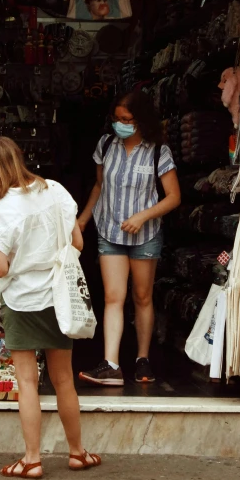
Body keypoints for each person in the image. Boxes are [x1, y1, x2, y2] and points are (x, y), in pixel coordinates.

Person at [0, 136, 101, 479]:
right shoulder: (55, 191)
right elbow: (77, 241)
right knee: (64, 380)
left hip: (21, 301)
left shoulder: (0, 209)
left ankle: (32, 459)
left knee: (27, 382)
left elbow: (1, 268)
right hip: (56, 297)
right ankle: (77, 453)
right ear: (19, 158)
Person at [77, 90, 181, 386]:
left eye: (127, 120)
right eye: (117, 119)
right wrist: (83, 220)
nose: (120, 124)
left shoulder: (158, 151)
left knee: (142, 297)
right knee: (113, 297)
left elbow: (174, 197)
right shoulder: (106, 144)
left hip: (146, 234)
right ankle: (110, 364)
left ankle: (142, 359)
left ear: (142, 121)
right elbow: (99, 187)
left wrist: (143, 216)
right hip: (109, 231)